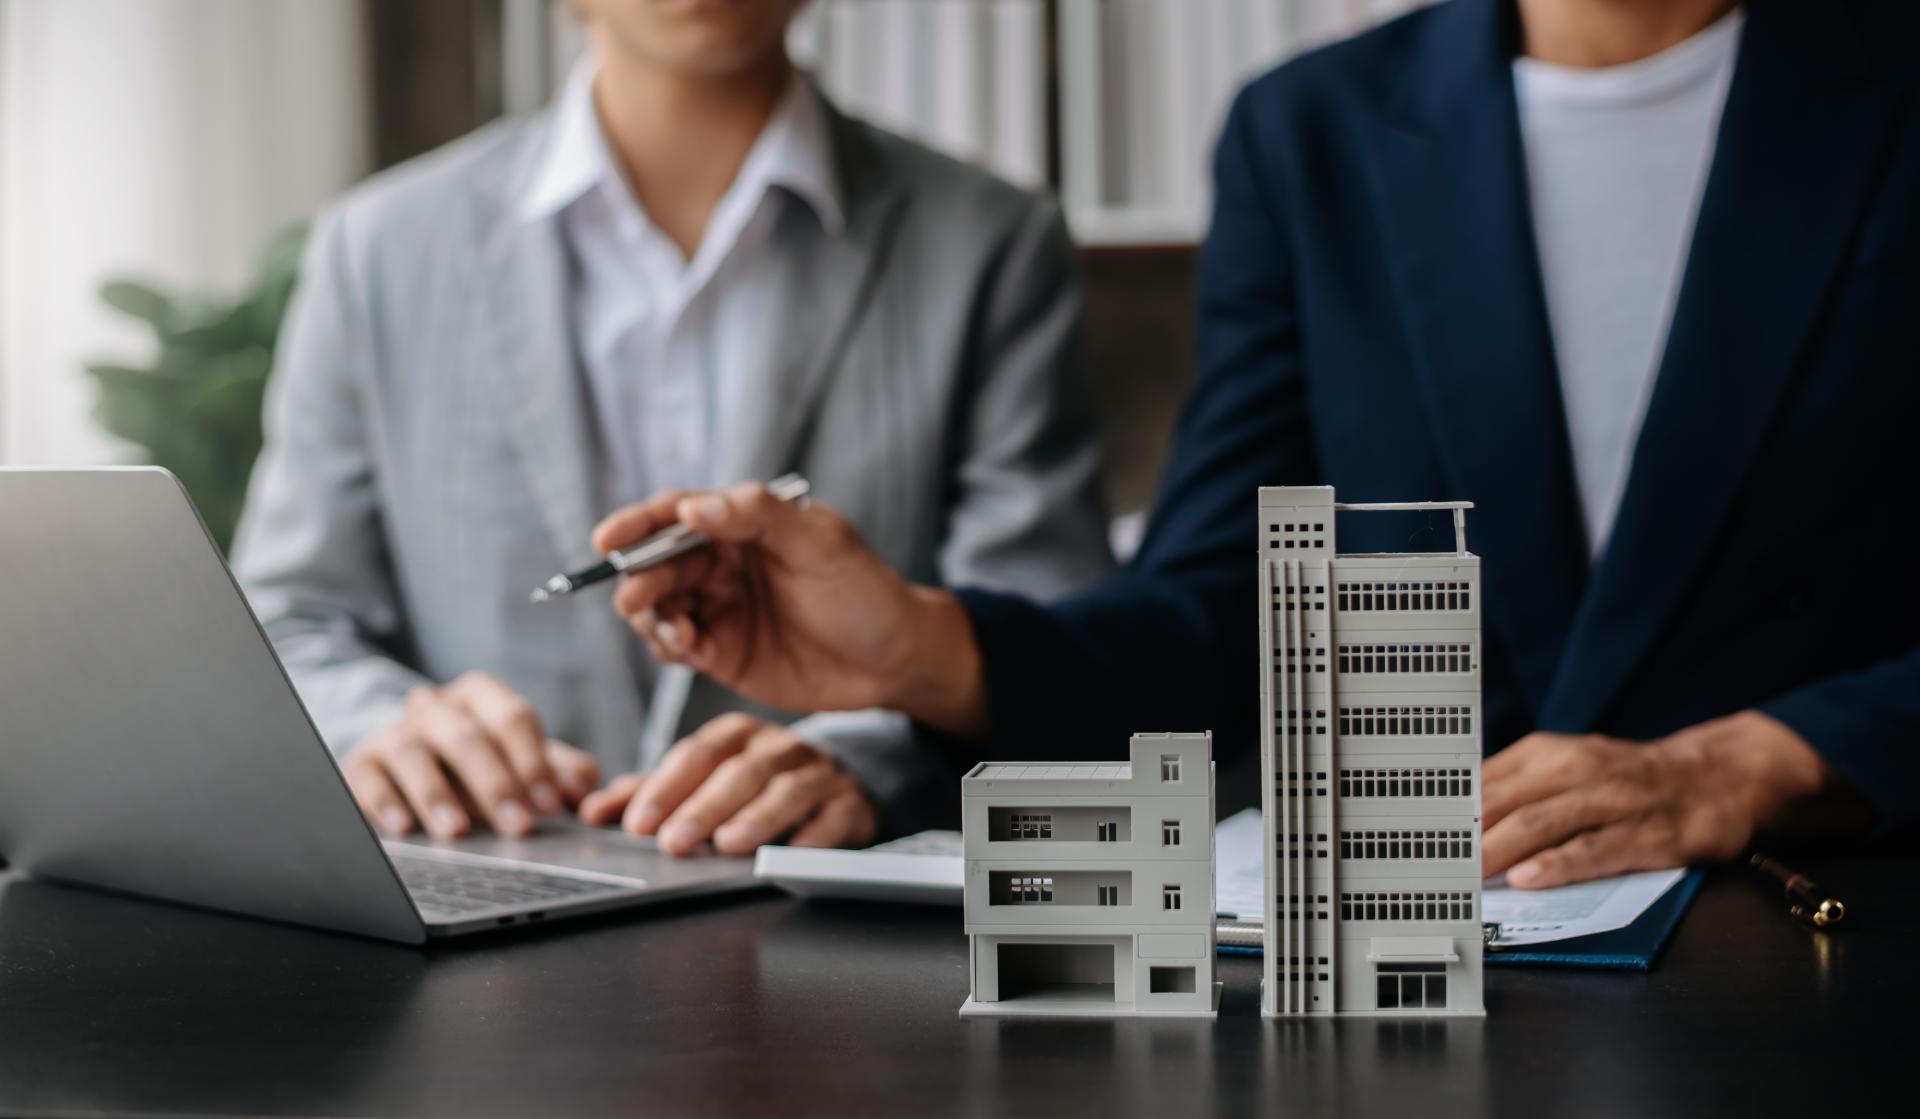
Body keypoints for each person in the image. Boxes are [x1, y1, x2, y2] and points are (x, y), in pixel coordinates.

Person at [598, 0, 1919, 886]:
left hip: (1836, 952)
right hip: (1451, 984)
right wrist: (923, 645)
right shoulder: (1314, 135)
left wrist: (1758, 759)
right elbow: (1219, 618)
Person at [231, 0, 1113, 856]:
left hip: (829, 939)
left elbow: (1047, 630)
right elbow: (289, 616)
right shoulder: (380, 246)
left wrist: (867, 760)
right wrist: (381, 724)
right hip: (487, 903)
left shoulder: (991, 243)